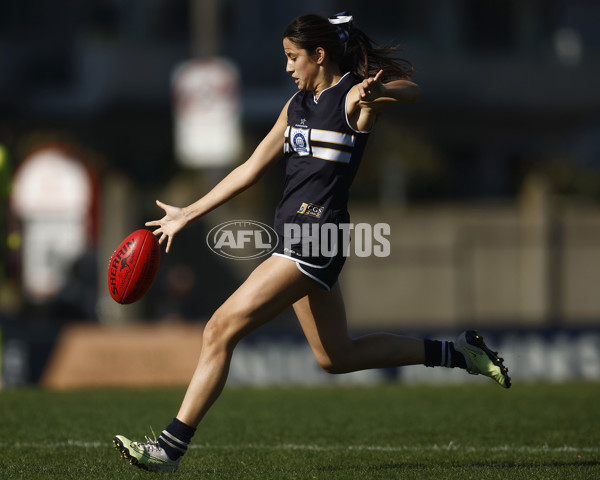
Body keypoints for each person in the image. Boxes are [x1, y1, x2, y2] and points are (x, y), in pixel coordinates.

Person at [113, 12, 511, 473]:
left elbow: (412, 90)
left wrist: (375, 91)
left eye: (292, 57)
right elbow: (249, 169)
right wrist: (188, 212)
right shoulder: (295, 105)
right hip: (294, 238)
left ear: (318, 55)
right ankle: (459, 352)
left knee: (218, 329)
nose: (287, 67)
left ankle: (169, 449)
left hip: (315, 241)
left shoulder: (350, 99)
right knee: (335, 356)